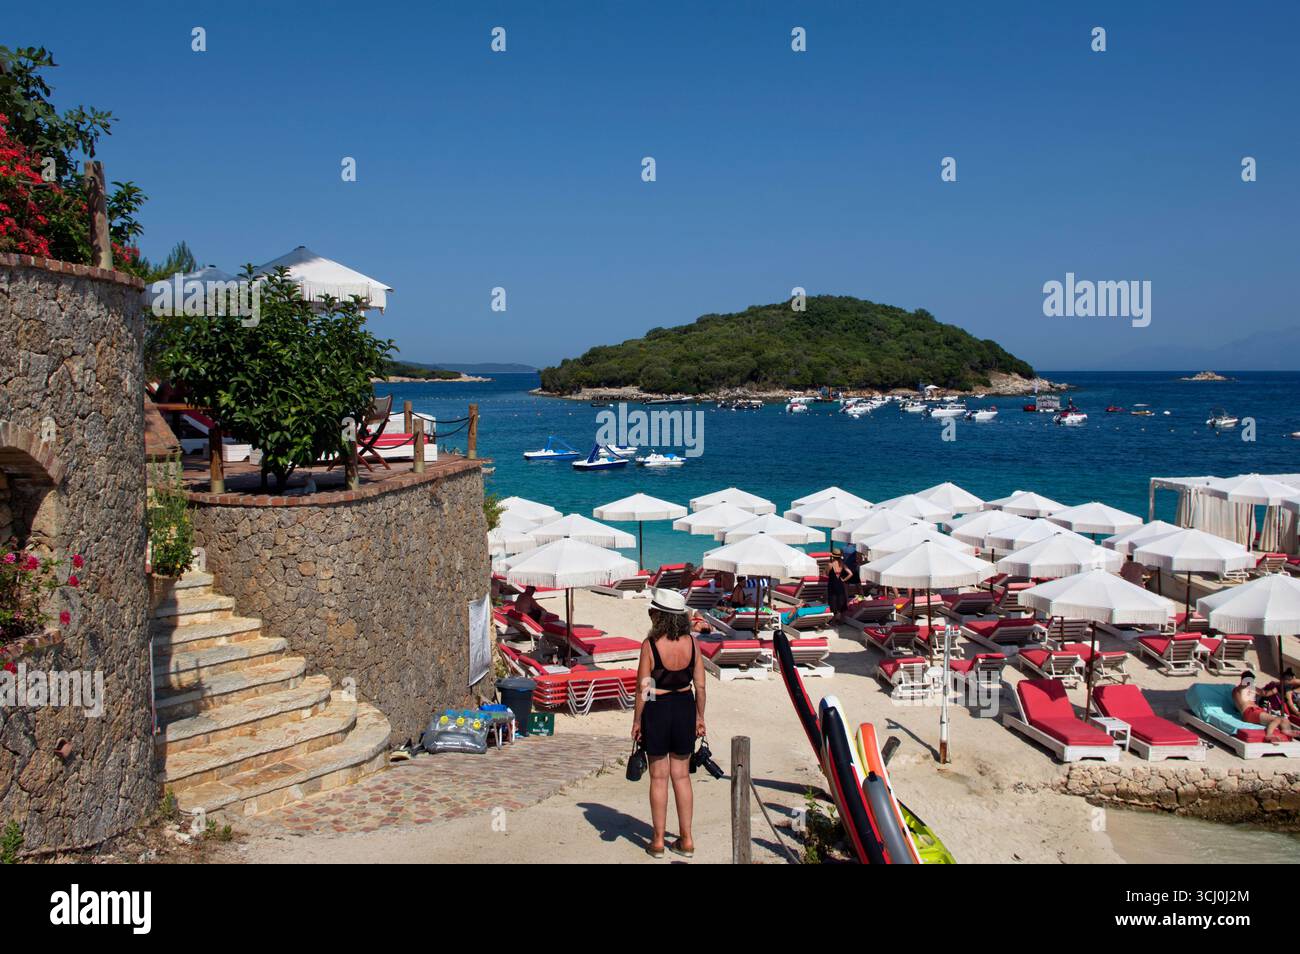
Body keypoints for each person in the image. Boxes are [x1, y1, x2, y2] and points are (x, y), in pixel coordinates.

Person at [632, 588, 706, 858]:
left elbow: (644, 687)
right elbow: (700, 685)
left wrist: (637, 720)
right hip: (685, 706)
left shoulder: (650, 645)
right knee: (682, 776)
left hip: (658, 709)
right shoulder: (692, 643)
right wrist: (699, 716)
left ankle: (658, 840)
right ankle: (686, 839)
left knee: (659, 777)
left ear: (659, 616)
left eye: (653, 611)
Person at [1233, 671, 1289, 743]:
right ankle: (1269, 735)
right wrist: (1276, 687)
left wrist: (1276, 687)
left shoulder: (1243, 689)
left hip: (1254, 712)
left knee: (1283, 720)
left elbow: (1264, 693)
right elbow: (1263, 693)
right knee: (1277, 719)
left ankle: (1287, 736)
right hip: (1250, 712)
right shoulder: (1240, 689)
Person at [826, 552, 854, 621]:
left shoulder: (830, 564)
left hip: (832, 584)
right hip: (840, 584)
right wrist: (844, 579)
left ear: (833, 556)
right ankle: (841, 619)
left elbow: (826, 574)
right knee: (841, 600)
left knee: (833, 601)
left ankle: (834, 620)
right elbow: (850, 573)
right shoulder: (842, 564)